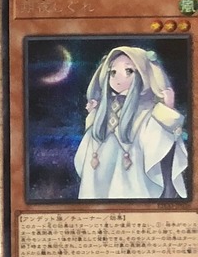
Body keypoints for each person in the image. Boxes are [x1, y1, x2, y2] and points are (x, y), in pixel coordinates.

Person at [73, 46, 187, 201]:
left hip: (133, 173)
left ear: (143, 74)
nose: (118, 78)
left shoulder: (147, 109)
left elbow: (159, 145)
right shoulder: (103, 108)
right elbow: (88, 145)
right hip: (100, 169)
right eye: (113, 72)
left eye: (128, 71)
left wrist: (167, 112)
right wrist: (93, 114)